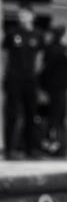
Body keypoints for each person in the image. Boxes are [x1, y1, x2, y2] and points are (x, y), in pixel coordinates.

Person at [2, 3, 44, 160]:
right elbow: (4, 55)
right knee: (12, 113)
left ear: (32, 16)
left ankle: (31, 149)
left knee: (31, 113)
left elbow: (40, 58)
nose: (22, 16)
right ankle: (10, 149)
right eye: (20, 14)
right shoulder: (12, 34)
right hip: (14, 78)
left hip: (30, 79)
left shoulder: (38, 35)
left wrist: (34, 75)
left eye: (25, 14)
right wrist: (7, 74)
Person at [39, 25, 67, 156]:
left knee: (59, 118)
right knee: (54, 118)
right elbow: (45, 71)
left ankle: (59, 145)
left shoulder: (62, 50)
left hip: (61, 89)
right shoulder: (53, 50)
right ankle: (52, 145)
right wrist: (42, 89)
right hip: (53, 90)